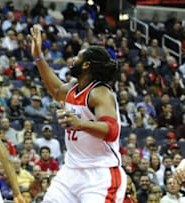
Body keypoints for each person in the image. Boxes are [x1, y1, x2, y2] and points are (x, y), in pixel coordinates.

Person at [29, 25, 126, 202]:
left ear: (86, 65)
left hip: (100, 174)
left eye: (78, 57)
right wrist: (38, 57)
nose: (72, 59)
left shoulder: (100, 93)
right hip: (71, 171)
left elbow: (112, 131)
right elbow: (56, 89)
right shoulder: (73, 88)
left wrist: (79, 123)